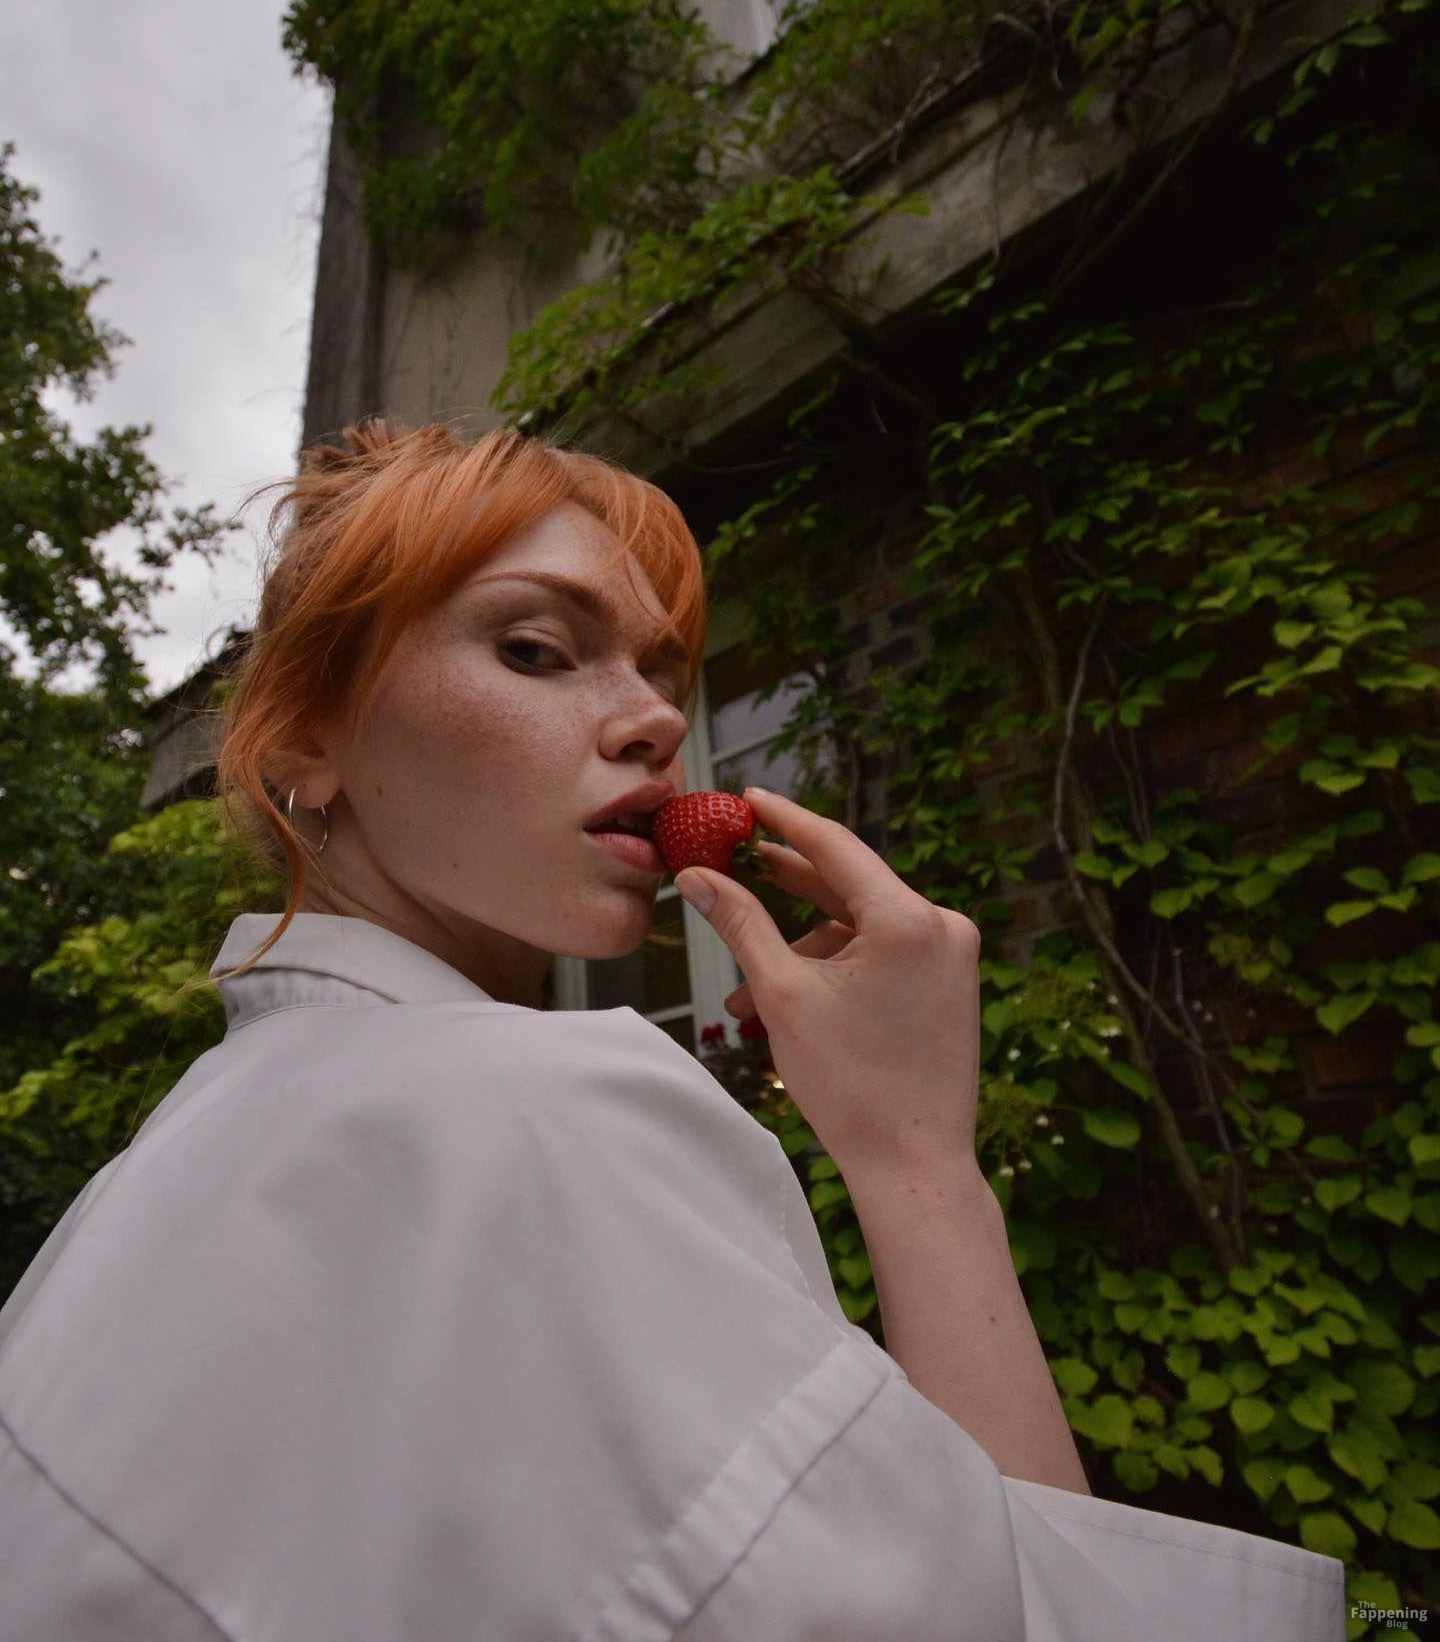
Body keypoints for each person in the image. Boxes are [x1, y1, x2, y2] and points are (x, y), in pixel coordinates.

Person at [0, 420, 1341, 1640]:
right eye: (535, 649)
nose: (655, 719)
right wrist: (915, 1158)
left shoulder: (167, 1169)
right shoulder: (522, 1113)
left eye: (662, 673)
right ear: (305, 741)